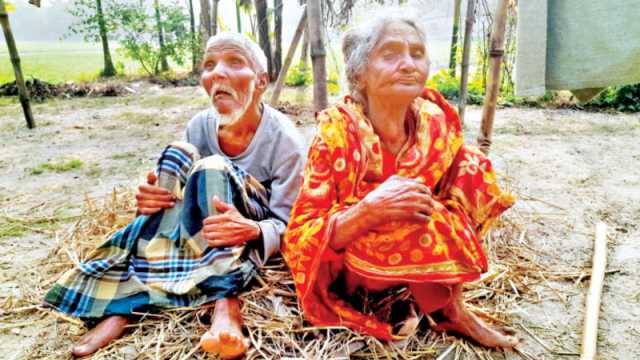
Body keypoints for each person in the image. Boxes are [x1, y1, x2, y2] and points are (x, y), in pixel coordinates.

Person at [44, 32, 305, 359]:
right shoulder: (199, 125)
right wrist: (153, 197)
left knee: (211, 168)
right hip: (200, 233)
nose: (217, 72)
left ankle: (226, 301)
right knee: (177, 155)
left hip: (242, 229)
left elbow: (293, 225)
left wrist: (253, 229)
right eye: (209, 65)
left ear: (261, 81)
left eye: (234, 62)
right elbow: (179, 193)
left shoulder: (286, 142)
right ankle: (127, 304)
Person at [283, 14, 519, 348]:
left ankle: (446, 301)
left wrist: (427, 212)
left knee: (471, 166)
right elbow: (298, 237)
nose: (408, 64)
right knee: (409, 216)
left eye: (417, 53)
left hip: (413, 245)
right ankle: (440, 306)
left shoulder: (434, 121)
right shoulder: (336, 135)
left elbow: (449, 189)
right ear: (360, 73)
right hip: (353, 262)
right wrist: (369, 210)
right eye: (391, 53)